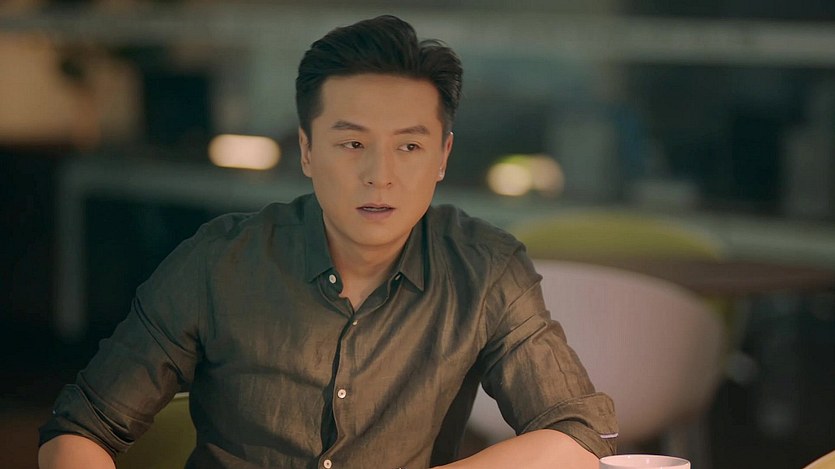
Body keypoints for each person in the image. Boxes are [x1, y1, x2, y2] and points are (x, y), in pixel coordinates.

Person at [38, 15, 617, 469]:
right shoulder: (219, 262)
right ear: (308, 151)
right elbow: (79, 429)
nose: (380, 175)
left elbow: (577, 433)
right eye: (352, 144)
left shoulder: (485, 269)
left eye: (409, 147)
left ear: (443, 156)